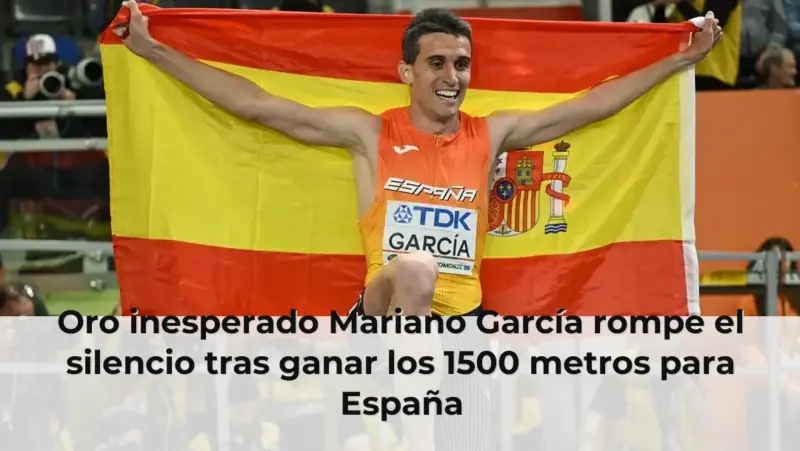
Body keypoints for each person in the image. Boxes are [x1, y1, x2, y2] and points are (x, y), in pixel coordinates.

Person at [113, 1, 721, 448]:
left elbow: (591, 105)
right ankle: (412, 430)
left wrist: (679, 59)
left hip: (464, 328)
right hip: (380, 316)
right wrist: (154, 50)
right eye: (436, 63)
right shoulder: (369, 133)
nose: (452, 76)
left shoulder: (491, 135)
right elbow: (256, 105)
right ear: (407, 72)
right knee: (415, 268)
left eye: (461, 64)